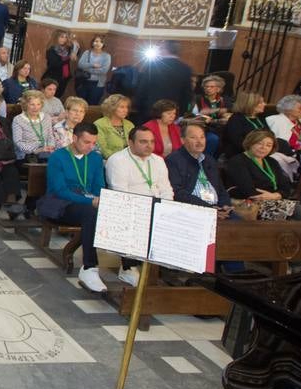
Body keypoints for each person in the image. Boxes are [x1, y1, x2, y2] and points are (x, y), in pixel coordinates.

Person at [42, 124, 111, 293]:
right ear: (74, 138)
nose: (90, 146)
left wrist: (98, 199)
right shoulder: (58, 157)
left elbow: (99, 185)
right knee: (91, 213)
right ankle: (89, 267)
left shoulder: (95, 158)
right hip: (62, 205)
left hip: (88, 204)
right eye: (86, 142)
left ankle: (127, 266)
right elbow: (60, 190)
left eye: (93, 142)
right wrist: (90, 202)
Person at [104, 127, 173, 287]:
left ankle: (164, 267)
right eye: (143, 142)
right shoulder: (118, 160)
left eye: (151, 142)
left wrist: (167, 208)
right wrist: (146, 208)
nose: (149, 146)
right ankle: (128, 267)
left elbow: (166, 189)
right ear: (130, 142)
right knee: (137, 217)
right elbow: (120, 192)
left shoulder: (158, 160)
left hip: (157, 205)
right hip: (131, 206)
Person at [224, 130, 301, 219]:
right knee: (297, 211)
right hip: (248, 203)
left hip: (273, 200)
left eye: (268, 145)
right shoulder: (237, 161)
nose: (263, 147)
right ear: (250, 143)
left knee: (297, 211)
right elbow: (249, 191)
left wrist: (275, 196)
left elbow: (286, 187)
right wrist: (274, 195)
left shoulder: (271, 161)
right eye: (259, 143)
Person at [165, 122, 230, 214]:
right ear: (182, 140)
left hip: (217, 209)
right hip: (192, 209)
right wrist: (209, 209)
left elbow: (221, 189)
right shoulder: (173, 160)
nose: (199, 142)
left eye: (202, 137)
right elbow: (177, 193)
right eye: (193, 138)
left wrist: (225, 206)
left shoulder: (209, 160)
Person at [132, 41, 195, 123]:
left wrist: (137, 105)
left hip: (150, 110)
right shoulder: (185, 69)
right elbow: (187, 94)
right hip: (172, 113)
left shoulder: (153, 65)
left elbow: (142, 88)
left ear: (165, 49)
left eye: (160, 48)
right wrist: (181, 112)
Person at [12, 90, 57, 161]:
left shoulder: (47, 117)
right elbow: (18, 142)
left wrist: (50, 146)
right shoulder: (18, 120)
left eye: (38, 104)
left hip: (45, 152)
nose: (36, 107)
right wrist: (36, 150)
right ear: (26, 104)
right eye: (32, 104)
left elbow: (50, 136)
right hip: (26, 155)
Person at [223, 91, 268, 158]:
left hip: (262, 152)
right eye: (261, 102)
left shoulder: (261, 118)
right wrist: (256, 149)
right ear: (250, 104)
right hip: (242, 154)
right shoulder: (236, 119)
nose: (265, 104)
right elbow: (238, 142)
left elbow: (269, 135)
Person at [93, 94, 134, 159]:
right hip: (109, 160)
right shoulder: (100, 124)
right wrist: (119, 159)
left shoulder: (129, 124)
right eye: (122, 107)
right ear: (112, 108)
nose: (125, 110)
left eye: (126, 107)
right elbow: (102, 148)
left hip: (130, 159)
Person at [43, 30, 79, 95]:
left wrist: (75, 46)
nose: (64, 39)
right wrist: (68, 58)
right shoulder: (51, 50)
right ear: (56, 37)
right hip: (53, 78)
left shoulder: (67, 49)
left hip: (64, 78)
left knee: (59, 95)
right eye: (62, 37)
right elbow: (54, 64)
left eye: (65, 37)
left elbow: (75, 51)